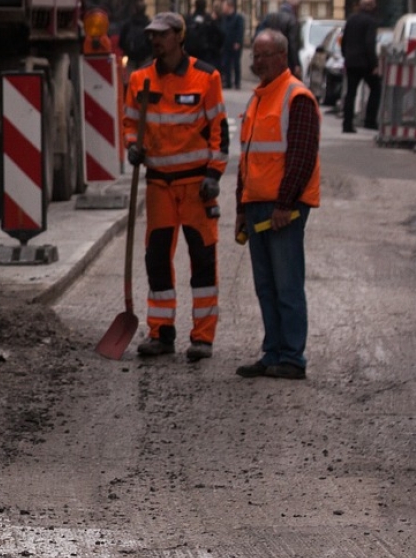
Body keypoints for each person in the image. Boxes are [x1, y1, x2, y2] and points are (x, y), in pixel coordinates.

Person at [122, 12, 228, 361]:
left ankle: (202, 338)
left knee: (202, 260)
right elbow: (130, 122)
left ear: (179, 37)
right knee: (157, 259)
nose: (155, 40)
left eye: (163, 35)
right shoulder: (140, 79)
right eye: (152, 34)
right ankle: (161, 333)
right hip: (158, 185)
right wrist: (131, 146)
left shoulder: (206, 76)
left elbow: (219, 130)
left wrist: (214, 173)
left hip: (196, 184)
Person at [235, 30, 319, 380]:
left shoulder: (296, 96)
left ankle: (292, 358)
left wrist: (284, 204)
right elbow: (248, 158)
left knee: (286, 285)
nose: (257, 62)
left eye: (264, 55)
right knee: (266, 286)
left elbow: (300, 157)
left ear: (282, 56)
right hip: (256, 205)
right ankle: (273, 353)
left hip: (283, 208)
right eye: (255, 55)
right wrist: (241, 207)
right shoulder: (258, 98)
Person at [340, 0, 382, 133]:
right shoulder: (371, 22)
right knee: (376, 89)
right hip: (365, 63)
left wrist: (345, 56)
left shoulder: (351, 19)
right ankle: (370, 120)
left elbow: (344, 40)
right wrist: (374, 64)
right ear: (371, 7)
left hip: (351, 61)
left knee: (350, 93)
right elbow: (370, 43)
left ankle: (347, 124)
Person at [256, 0, 301, 78]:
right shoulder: (292, 20)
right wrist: (296, 64)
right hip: (286, 60)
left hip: (270, 58)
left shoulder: (270, 17)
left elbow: (258, 35)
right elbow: (293, 44)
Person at [186, 0, 226, 65]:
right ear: (205, 6)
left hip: (191, 52)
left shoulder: (189, 19)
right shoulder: (209, 19)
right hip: (206, 53)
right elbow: (220, 34)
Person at [219, 0, 247, 89]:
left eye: (224, 6)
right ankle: (228, 82)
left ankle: (237, 82)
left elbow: (240, 30)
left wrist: (238, 42)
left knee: (236, 63)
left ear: (230, 7)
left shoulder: (238, 18)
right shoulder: (224, 18)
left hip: (235, 44)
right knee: (226, 63)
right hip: (226, 44)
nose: (223, 8)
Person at [122, 1, 154, 67]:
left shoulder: (128, 24)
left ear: (134, 10)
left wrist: (127, 52)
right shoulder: (149, 24)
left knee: (131, 76)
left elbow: (121, 42)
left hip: (131, 59)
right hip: (146, 58)